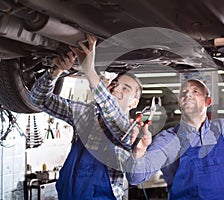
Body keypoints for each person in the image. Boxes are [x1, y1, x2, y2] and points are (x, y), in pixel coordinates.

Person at [29, 34, 143, 200]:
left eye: (126, 88)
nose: (116, 88)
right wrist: (56, 71)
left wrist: (89, 70)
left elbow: (110, 109)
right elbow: (38, 99)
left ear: (134, 103)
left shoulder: (129, 129)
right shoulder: (85, 114)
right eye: (115, 83)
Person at [125, 79, 224, 199]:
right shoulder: (169, 140)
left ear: (207, 102)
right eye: (183, 93)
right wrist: (138, 151)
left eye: (195, 91)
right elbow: (135, 178)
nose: (187, 95)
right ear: (180, 103)